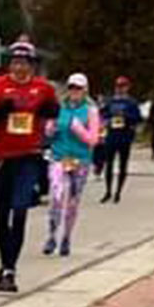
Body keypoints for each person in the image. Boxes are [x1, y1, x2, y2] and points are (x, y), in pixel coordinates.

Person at [0, 36, 59, 294]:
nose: (19, 68)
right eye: (15, 62)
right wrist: (0, 111)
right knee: (2, 216)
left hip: (28, 156)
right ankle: (4, 264)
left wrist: (49, 110)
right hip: (1, 158)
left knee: (20, 211)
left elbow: (53, 113)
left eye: (24, 63)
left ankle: (10, 269)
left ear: (32, 65)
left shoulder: (43, 88)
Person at [46, 73, 100, 257]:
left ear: (85, 90)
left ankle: (66, 238)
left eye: (78, 88)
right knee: (56, 198)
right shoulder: (59, 108)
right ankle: (52, 236)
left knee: (72, 203)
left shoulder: (91, 111)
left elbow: (93, 139)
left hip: (80, 160)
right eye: (71, 88)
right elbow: (48, 130)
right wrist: (50, 130)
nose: (74, 92)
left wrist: (78, 128)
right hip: (59, 158)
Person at [99, 76, 141, 204]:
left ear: (127, 87)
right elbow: (103, 114)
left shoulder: (131, 103)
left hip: (124, 137)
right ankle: (108, 191)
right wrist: (106, 120)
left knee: (123, 165)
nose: (120, 89)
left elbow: (137, 118)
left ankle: (118, 191)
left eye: (123, 86)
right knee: (109, 164)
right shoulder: (110, 101)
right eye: (118, 86)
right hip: (112, 135)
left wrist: (126, 117)